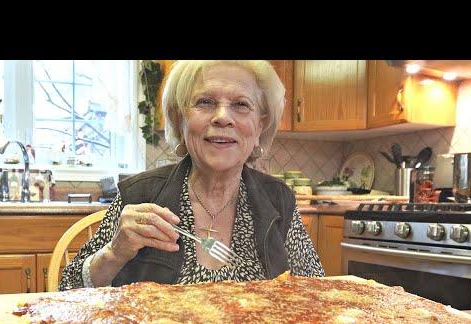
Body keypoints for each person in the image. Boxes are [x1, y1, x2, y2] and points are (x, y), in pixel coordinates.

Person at [60, 60, 324, 290]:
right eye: (205, 102)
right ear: (179, 119)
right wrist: (113, 253)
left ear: (260, 126)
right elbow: (69, 289)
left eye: (241, 104)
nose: (222, 117)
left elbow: (318, 291)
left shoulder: (278, 200)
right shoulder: (140, 195)